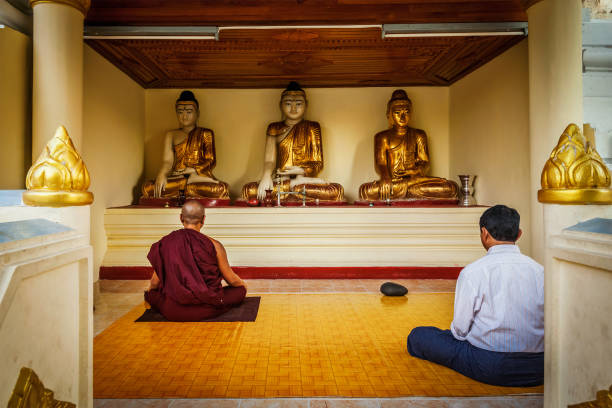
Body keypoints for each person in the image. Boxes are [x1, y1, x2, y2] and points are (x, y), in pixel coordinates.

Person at [407, 205, 544, 387]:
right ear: (519, 234)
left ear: (484, 233)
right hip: (538, 367)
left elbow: (460, 331)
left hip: (489, 364)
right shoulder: (540, 271)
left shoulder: (473, 272)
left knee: (419, 336)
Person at [241, 81, 344, 203]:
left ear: (306, 104)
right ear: (280, 105)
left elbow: (318, 163)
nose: (294, 108)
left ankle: (296, 184)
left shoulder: (313, 127)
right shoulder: (274, 128)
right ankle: (294, 185)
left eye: (299, 103)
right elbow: (269, 160)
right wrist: (266, 176)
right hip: (280, 180)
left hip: (303, 179)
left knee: (336, 190)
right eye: (288, 103)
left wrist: (300, 171)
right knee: (249, 190)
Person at [144, 200, 246, 321]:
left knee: (152, 295)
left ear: (181, 218)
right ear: (203, 220)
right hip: (208, 307)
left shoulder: (166, 243)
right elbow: (232, 280)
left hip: (173, 310)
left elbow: (155, 282)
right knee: (239, 291)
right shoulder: (214, 245)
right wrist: (242, 286)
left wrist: (151, 293)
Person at [359, 89, 458, 201]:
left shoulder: (419, 135)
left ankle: (406, 194)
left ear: (411, 112)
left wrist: (412, 171)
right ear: (389, 114)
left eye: (406, 112)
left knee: (451, 187)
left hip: (414, 182)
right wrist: (385, 178)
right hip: (392, 183)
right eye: (397, 112)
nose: (402, 117)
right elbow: (380, 163)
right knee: (366, 190)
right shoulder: (382, 137)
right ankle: (407, 194)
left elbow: (425, 164)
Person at [141, 90, 229, 199]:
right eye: (180, 112)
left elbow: (211, 161)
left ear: (197, 113)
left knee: (221, 189)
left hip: (198, 176)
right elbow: (167, 161)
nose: (184, 116)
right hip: (178, 177)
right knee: (147, 188)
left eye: (189, 111)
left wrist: (192, 170)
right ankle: (188, 185)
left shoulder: (206, 133)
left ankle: (188, 185)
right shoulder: (171, 135)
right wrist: (162, 174)